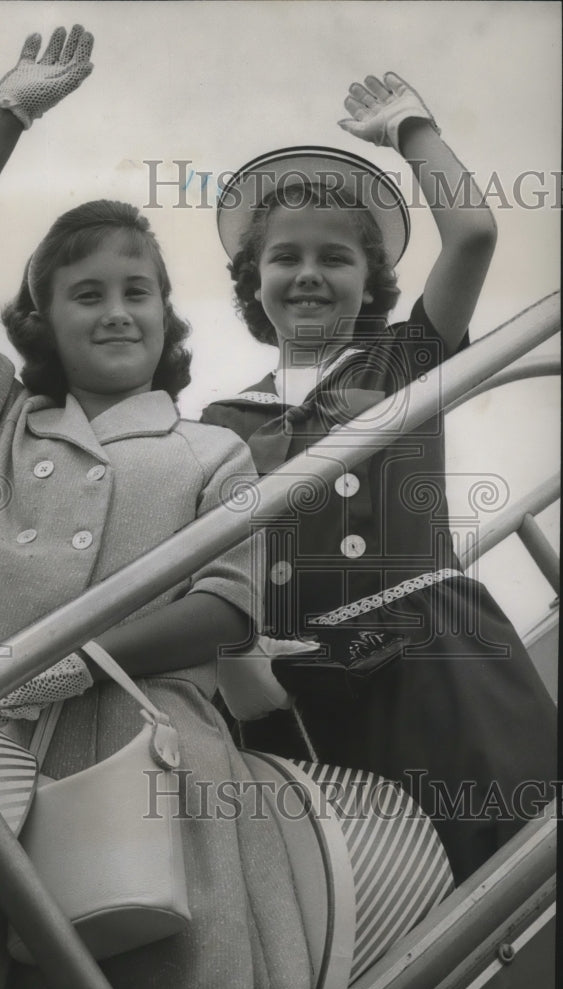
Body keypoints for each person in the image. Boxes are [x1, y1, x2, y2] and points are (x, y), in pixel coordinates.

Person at [0, 27, 312, 989]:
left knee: (166, 969)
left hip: (154, 748)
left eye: (139, 292)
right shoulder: (9, 422)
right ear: (42, 321)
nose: (118, 310)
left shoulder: (214, 448)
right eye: (86, 293)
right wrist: (8, 114)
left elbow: (227, 612)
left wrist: (75, 651)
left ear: (169, 317)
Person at [202, 73, 557, 885]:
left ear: (371, 278)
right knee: (391, 895)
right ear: (253, 281)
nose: (309, 275)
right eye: (284, 257)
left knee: (511, 855)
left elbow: (470, 235)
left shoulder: (404, 357)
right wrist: (235, 661)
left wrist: (412, 131)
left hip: (435, 657)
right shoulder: (221, 419)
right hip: (304, 686)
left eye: (336, 257)